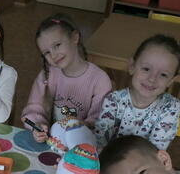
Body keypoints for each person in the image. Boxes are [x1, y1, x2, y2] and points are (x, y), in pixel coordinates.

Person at [21, 14, 112, 143]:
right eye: (47, 52)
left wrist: (81, 127)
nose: (53, 55)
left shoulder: (100, 80)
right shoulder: (47, 75)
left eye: (57, 45)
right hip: (53, 144)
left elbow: (100, 124)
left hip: (84, 146)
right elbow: (33, 109)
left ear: (75, 37)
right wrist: (38, 126)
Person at [94, 34, 180, 150]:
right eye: (146, 69)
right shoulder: (113, 100)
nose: (152, 79)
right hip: (110, 157)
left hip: (145, 159)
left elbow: (156, 151)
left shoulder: (170, 107)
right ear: (132, 66)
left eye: (163, 75)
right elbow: (100, 141)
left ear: (171, 80)